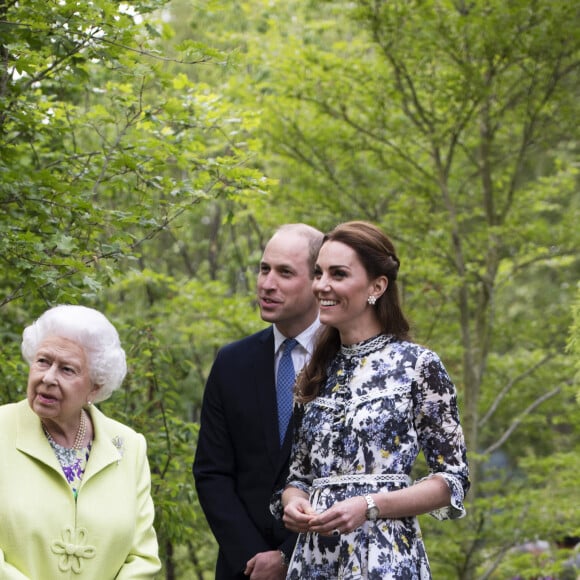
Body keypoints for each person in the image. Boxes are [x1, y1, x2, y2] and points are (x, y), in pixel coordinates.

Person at [276, 220, 470, 579]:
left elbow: (452, 480)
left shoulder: (418, 365)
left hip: (386, 558)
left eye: (338, 274)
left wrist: (369, 506)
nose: (322, 285)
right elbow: (298, 476)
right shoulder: (315, 371)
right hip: (314, 561)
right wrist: (294, 503)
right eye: (318, 273)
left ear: (377, 286)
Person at [193, 223, 324, 580]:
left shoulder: (346, 364)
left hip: (325, 562)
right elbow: (211, 472)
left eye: (285, 272)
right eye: (264, 269)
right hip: (244, 569)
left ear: (318, 281)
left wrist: (286, 558)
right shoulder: (232, 362)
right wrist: (253, 557)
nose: (267, 283)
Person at [0, 305, 161, 579]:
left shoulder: (129, 446)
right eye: (42, 361)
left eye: (67, 369)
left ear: (95, 387)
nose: (48, 378)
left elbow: (142, 557)